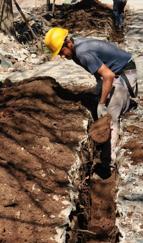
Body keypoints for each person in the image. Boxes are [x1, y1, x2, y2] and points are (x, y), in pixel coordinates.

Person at [45, 27, 137, 178]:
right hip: (115, 71)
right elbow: (100, 69)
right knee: (101, 102)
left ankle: (108, 166)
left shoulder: (82, 53)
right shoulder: (75, 50)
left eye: (61, 52)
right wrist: (99, 86)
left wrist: (102, 104)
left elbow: (108, 75)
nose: (62, 57)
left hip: (124, 73)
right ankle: (123, 101)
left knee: (110, 117)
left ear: (68, 43)